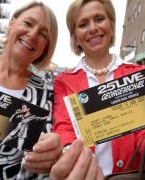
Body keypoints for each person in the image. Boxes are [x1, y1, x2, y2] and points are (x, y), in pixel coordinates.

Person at [0, 1, 62, 180]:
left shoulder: (46, 93)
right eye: (28, 23)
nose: (32, 34)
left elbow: (41, 164)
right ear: (11, 23)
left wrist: (52, 153)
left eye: (43, 34)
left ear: (46, 47)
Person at [52, 0, 145, 179]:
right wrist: (68, 152)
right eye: (83, 24)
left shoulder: (138, 75)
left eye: (99, 19)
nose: (93, 28)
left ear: (111, 24)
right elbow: (64, 128)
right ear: (75, 35)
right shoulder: (63, 81)